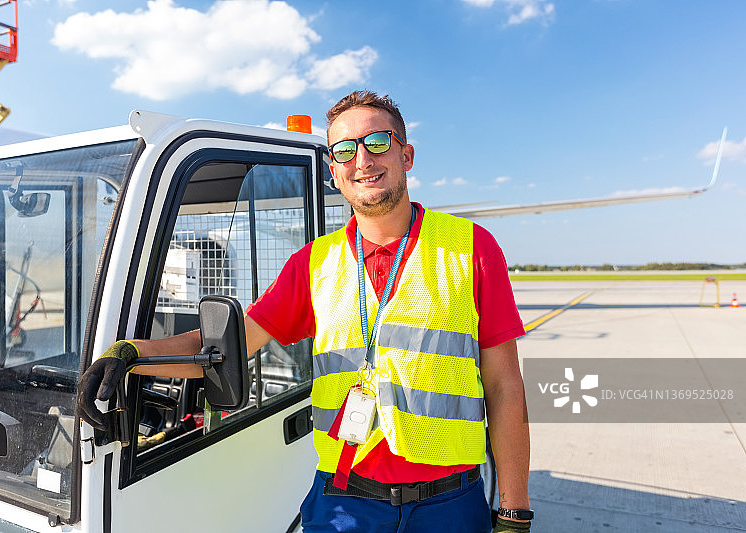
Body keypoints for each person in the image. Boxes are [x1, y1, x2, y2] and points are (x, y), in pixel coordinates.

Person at [77, 90, 532, 533]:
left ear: (406, 155)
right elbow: (223, 345)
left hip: (449, 503)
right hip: (345, 503)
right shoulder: (314, 264)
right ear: (333, 172)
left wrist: (514, 511)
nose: (363, 160)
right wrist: (131, 353)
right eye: (345, 150)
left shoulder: (471, 248)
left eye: (377, 142)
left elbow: (504, 385)